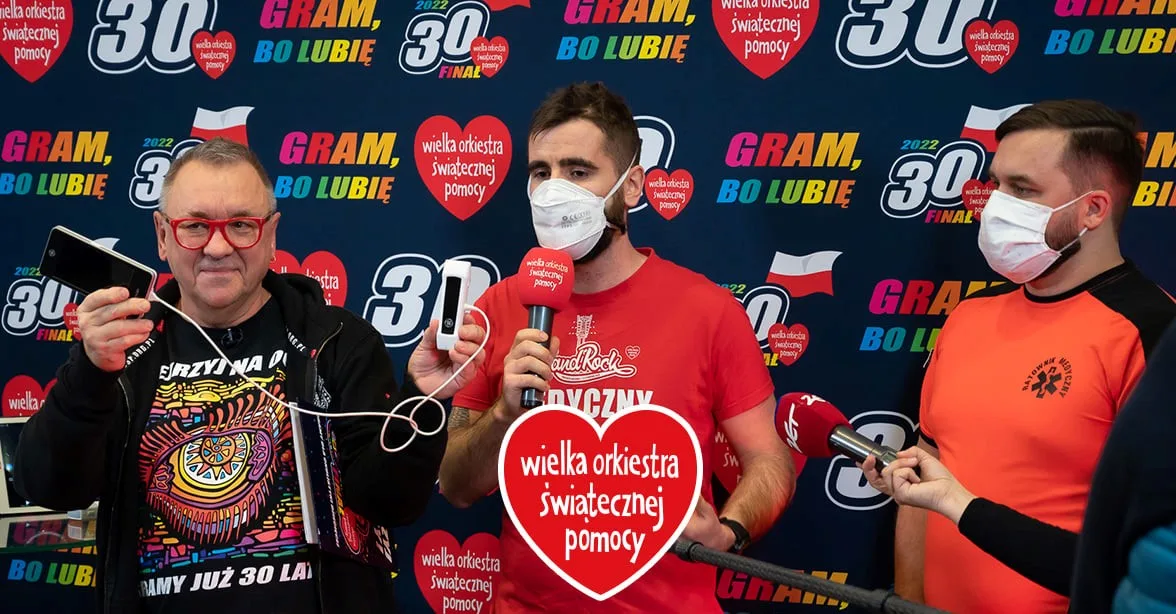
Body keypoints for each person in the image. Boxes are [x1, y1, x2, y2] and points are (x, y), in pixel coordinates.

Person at [13, 137, 486, 614]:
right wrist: (89, 374)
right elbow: (50, 488)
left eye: (241, 225)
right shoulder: (122, 348)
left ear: (271, 234)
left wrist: (423, 399)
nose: (218, 247)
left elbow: (391, 504)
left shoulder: (338, 341)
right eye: (195, 226)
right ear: (162, 235)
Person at [436, 82, 797, 613]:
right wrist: (504, 415)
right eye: (541, 173)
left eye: (578, 172)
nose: (554, 192)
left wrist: (729, 531)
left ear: (631, 186)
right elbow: (455, 484)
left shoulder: (708, 310)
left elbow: (769, 459)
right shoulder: (499, 306)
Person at [884, 100, 1176, 613]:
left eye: (1022, 190)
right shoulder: (968, 316)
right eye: (996, 184)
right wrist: (910, 602)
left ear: (1093, 209)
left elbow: (1147, 555)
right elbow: (923, 470)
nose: (994, 205)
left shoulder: (1154, 332)